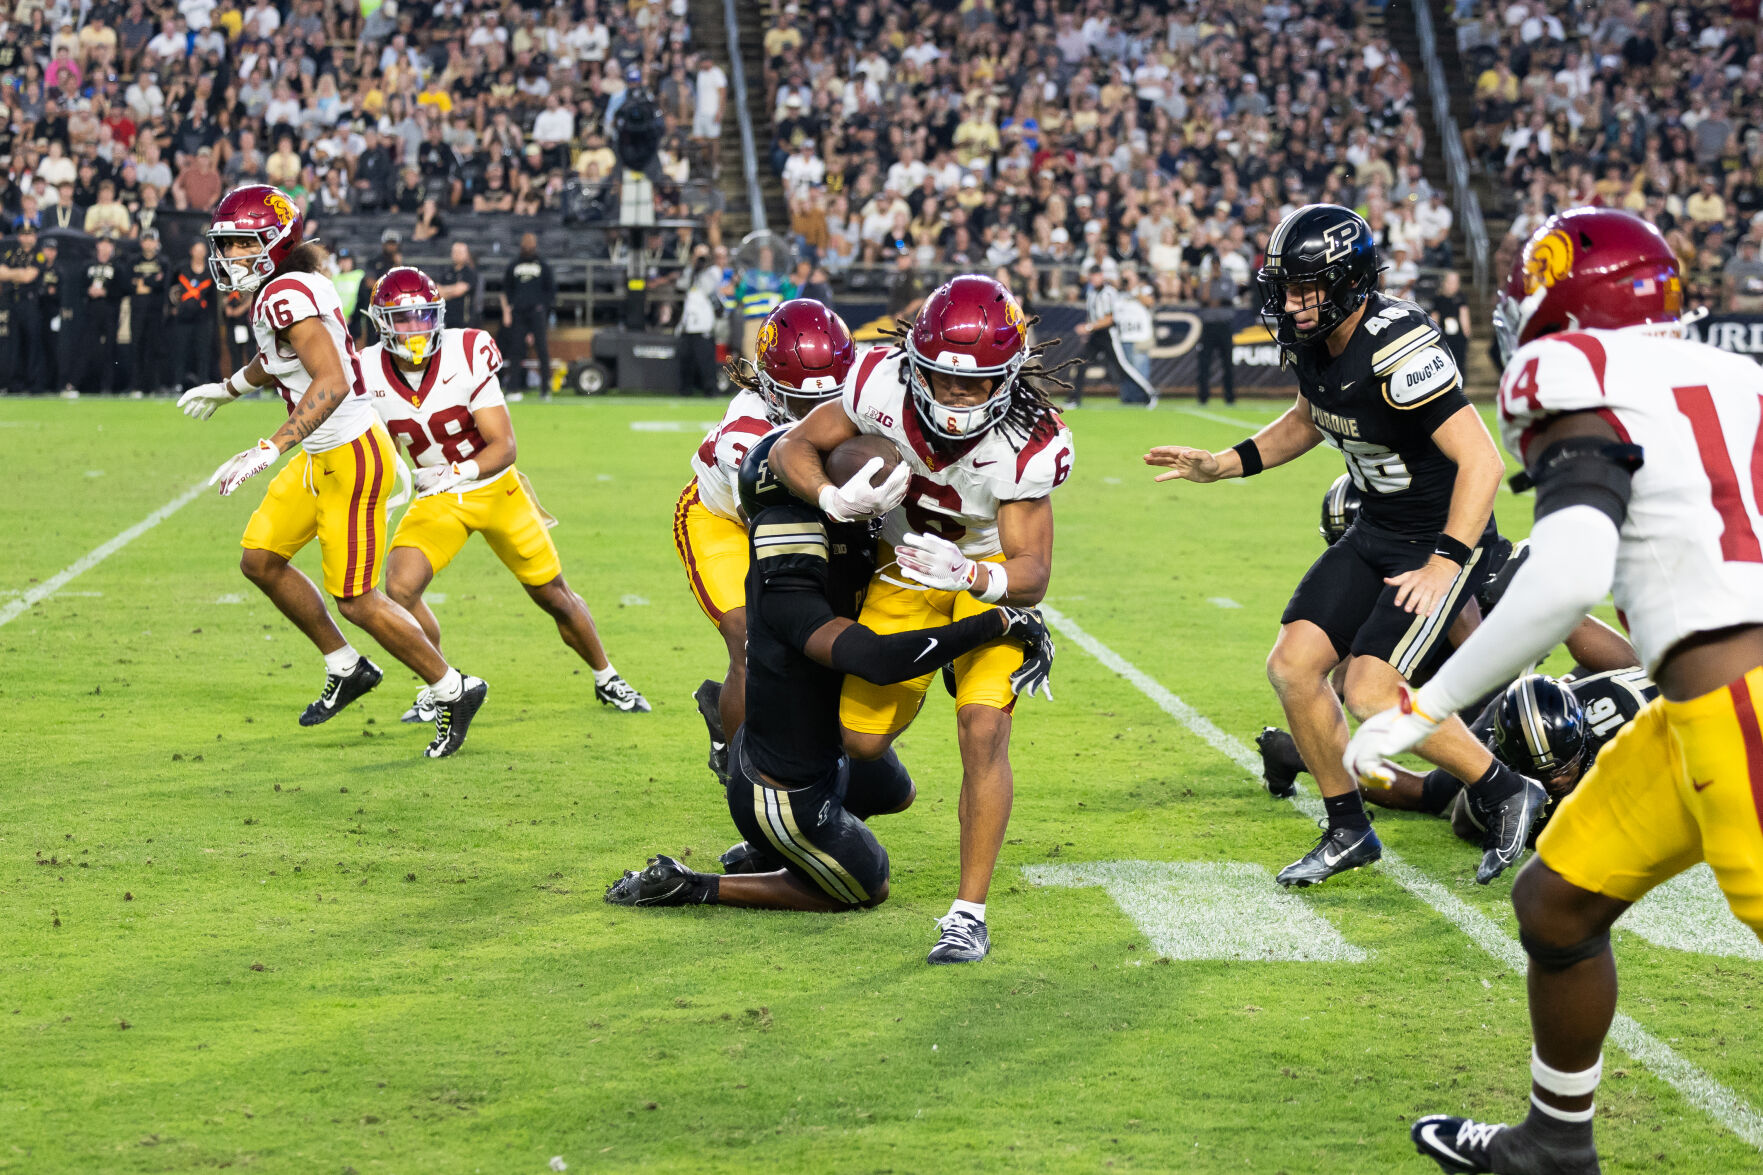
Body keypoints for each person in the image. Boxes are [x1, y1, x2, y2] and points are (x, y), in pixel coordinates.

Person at [1339, 208, 1763, 1174]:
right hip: (1688, 710)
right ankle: (1553, 1145)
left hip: (1741, 705)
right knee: (1556, 902)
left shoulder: (1568, 369)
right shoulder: (1733, 373)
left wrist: (1422, 706)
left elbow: (1569, 573)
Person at [1145, 204, 1541, 889]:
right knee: (1293, 665)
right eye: (1287, 289)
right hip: (1378, 526)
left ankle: (1506, 789)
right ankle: (1348, 827)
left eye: (1307, 289)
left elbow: (1482, 461)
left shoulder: (1397, 347)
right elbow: (1309, 419)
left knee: (1368, 689)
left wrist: (1445, 561)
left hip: (1439, 537)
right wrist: (1225, 462)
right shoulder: (1314, 339)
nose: (1293, 304)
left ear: (1350, 282)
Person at [607, 430, 1054, 914]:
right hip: (786, 789)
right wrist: (997, 623)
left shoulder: (823, 540)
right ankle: (694, 884)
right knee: (869, 886)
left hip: (828, 744)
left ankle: (782, 849)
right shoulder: (789, 585)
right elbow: (878, 661)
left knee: (896, 790)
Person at [772, 275, 1075, 964]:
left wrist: (972, 575)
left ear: (1007, 376)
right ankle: (838, 808)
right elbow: (793, 447)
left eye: (976, 382)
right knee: (861, 742)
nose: (959, 394)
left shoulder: (1029, 440)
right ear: (915, 363)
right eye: (943, 377)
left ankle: (968, 914)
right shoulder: (878, 384)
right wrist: (830, 496)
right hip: (902, 564)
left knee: (983, 728)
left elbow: (1032, 573)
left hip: (983, 576)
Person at [173, 185, 486, 758]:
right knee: (260, 560)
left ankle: (453, 688)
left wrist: (271, 446)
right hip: (321, 453)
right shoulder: (290, 283)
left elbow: (332, 380)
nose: (230, 256)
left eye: (242, 244)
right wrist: (228, 388)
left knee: (357, 598)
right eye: (228, 244)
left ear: (273, 242)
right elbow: (278, 359)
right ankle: (347, 666)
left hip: (350, 456)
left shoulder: (283, 293)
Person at [359, 267, 649, 721]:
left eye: (423, 316)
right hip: (438, 498)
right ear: (381, 323)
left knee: (553, 595)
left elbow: (504, 447)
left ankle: (607, 676)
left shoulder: (466, 352)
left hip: (494, 489)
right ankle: (442, 684)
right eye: (404, 318)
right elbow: (382, 446)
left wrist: (456, 471)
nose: (415, 328)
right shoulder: (366, 369)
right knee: (400, 587)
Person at [677, 299, 855, 783]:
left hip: (814, 514)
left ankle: (735, 713)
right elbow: (769, 523)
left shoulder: (865, 394)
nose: (816, 415)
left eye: (830, 400)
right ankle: (745, 776)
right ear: (769, 387)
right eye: (800, 403)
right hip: (727, 520)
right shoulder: (747, 433)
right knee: (751, 640)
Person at [1069, 259, 1159, 408]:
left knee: (1123, 367)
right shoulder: (1091, 293)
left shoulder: (1109, 292)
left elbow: (1110, 318)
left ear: (1101, 276)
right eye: (1092, 276)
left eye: (1096, 276)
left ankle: (1149, 392)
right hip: (1096, 334)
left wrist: (1088, 327)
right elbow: (1092, 316)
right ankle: (1074, 399)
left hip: (1108, 335)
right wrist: (1088, 330)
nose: (1094, 279)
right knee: (1081, 362)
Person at [500, 232, 554, 395]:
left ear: (535, 245)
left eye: (531, 243)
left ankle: (545, 389)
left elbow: (550, 291)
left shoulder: (543, 265)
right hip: (519, 313)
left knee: (542, 350)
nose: (528, 246)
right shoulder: (514, 265)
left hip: (537, 312)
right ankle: (513, 388)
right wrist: (508, 310)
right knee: (515, 350)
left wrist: (544, 311)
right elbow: (506, 289)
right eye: (526, 243)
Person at [1, 228, 48, 391]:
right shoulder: (11, 253)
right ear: (19, 237)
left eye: (30, 235)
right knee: (14, 344)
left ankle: (33, 383)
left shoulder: (39, 255)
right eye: (23, 234)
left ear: (35, 236)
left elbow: (29, 276)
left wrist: (12, 273)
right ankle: (15, 383)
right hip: (13, 302)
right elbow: (1, 273)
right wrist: (20, 272)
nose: (26, 238)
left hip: (31, 303)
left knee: (32, 342)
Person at [77, 236, 126, 393]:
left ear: (112, 248)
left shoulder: (118, 267)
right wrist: (88, 291)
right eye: (102, 244)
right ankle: (86, 385)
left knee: (110, 349)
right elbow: (78, 287)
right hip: (91, 311)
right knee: (88, 348)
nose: (105, 248)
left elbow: (124, 289)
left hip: (110, 311)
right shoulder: (88, 265)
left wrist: (107, 292)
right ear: (97, 246)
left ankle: (107, 386)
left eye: (108, 245)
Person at [166, 240, 217, 390]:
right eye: (197, 249)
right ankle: (178, 383)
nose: (199, 253)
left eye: (202, 250)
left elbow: (214, 298)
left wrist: (213, 318)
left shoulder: (210, 271)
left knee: (203, 352)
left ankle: (202, 382)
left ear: (206, 252)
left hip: (203, 319)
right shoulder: (181, 268)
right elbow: (170, 288)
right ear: (191, 251)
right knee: (180, 351)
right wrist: (172, 307)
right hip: (183, 318)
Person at [124, 230, 168, 393]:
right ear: (141, 242)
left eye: (151, 240)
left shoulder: (163, 261)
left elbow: (163, 284)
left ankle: (154, 385)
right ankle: (135, 385)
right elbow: (127, 284)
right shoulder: (133, 260)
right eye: (145, 240)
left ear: (157, 242)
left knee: (154, 347)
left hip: (155, 311)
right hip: (137, 311)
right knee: (136, 347)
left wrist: (142, 282)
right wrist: (152, 281)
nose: (148, 244)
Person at [676, 243, 722, 397]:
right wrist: (693, 269)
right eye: (698, 256)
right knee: (686, 360)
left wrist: (701, 270)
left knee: (706, 361)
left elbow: (708, 287)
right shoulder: (689, 272)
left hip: (704, 325)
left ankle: (710, 390)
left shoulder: (713, 271)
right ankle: (685, 390)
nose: (701, 259)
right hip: (688, 324)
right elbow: (681, 285)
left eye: (703, 256)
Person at [1195, 267, 1239, 406]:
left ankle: (1229, 396)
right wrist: (1208, 282)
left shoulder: (1228, 281)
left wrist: (1214, 302)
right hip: (1208, 326)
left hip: (1224, 325)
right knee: (1204, 363)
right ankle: (1203, 396)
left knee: (1227, 363)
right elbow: (1204, 299)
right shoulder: (1205, 282)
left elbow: (1229, 299)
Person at [1432, 269, 1472, 375]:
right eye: (1450, 282)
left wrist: (1467, 332)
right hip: (1444, 337)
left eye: (1455, 282)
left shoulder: (1461, 298)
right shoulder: (1438, 299)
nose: (1453, 285)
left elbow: (1464, 315)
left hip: (1458, 337)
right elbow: (1435, 317)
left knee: (1459, 363)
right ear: (1444, 283)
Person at [436, 241, 478, 332]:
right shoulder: (446, 272)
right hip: (446, 319)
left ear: (467, 254)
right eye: (455, 252)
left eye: (460, 252)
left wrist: (446, 290)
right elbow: (438, 292)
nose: (457, 254)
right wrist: (453, 289)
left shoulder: (470, 273)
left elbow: (459, 291)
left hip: (463, 321)